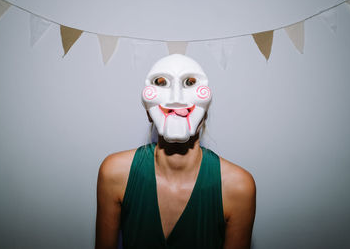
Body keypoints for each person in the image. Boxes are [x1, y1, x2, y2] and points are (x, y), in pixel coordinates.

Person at [96, 54, 256, 249]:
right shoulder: (115, 173)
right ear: (147, 111)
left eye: (190, 82)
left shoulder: (238, 187)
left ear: (206, 109)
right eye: (161, 82)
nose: (176, 99)